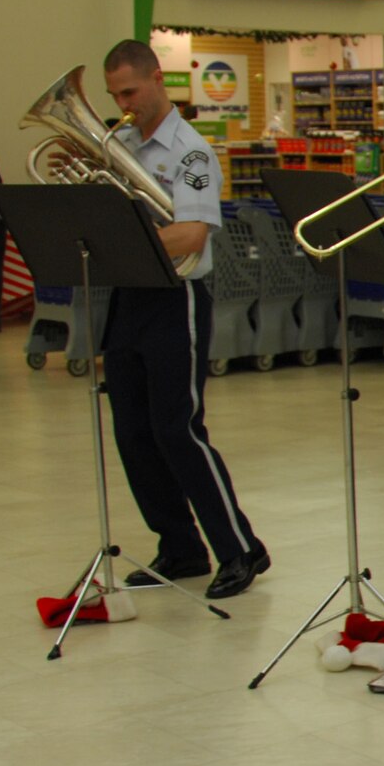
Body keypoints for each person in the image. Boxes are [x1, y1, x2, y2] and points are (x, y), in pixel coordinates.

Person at [97, 39, 269, 600]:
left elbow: (192, 235)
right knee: (133, 432)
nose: (123, 103)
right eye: (114, 94)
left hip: (177, 298)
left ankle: (239, 549)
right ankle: (180, 547)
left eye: (130, 91)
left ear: (157, 81)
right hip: (129, 297)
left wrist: (123, 240)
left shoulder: (192, 154)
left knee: (179, 430)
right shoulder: (118, 143)